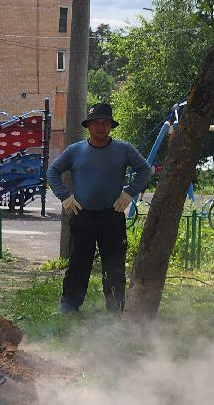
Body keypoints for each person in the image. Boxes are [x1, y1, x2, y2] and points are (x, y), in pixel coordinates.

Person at [46, 102, 152, 314]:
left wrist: (129, 192)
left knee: (114, 265)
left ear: (111, 126)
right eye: (96, 123)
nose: (100, 127)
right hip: (82, 216)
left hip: (111, 216)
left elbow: (145, 170)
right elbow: (52, 171)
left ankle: (115, 308)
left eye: (105, 123)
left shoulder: (123, 149)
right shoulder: (75, 151)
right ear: (88, 126)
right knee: (78, 264)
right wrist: (65, 197)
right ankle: (69, 307)